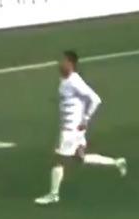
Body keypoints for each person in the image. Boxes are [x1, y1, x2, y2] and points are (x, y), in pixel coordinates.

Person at [35, 50, 127, 205]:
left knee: (58, 160)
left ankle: (53, 194)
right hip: (74, 128)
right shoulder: (65, 80)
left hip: (71, 129)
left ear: (70, 64)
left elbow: (95, 99)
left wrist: (86, 119)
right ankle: (116, 162)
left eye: (63, 61)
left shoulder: (74, 81)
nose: (60, 64)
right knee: (79, 158)